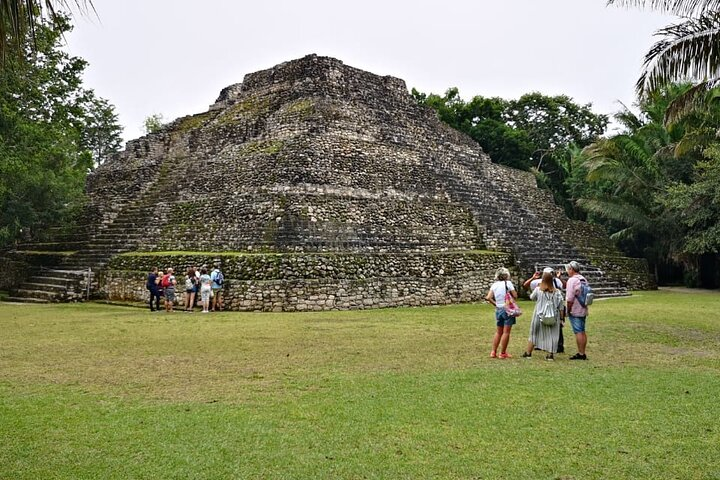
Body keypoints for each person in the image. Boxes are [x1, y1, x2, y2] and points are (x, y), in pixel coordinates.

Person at [522, 271, 565, 360]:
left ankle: (528, 353)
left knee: (534, 333)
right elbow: (561, 307)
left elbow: (531, 297)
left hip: (538, 315)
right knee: (552, 335)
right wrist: (561, 319)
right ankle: (550, 355)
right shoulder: (557, 292)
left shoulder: (538, 290)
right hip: (553, 316)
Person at [485, 267, 518, 359]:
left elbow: (488, 297)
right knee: (506, 332)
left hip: (499, 309)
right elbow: (515, 295)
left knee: (499, 331)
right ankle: (502, 352)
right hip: (507, 308)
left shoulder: (494, 285)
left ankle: (493, 351)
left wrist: (495, 304)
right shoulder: (508, 283)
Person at [565, 261, 589, 360]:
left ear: (571, 269)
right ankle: (583, 352)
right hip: (583, 307)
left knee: (578, 331)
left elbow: (570, 298)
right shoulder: (583, 279)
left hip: (575, 308)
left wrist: (568, 310)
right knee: (582, 331)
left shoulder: (572, 280)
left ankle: (581, 353)